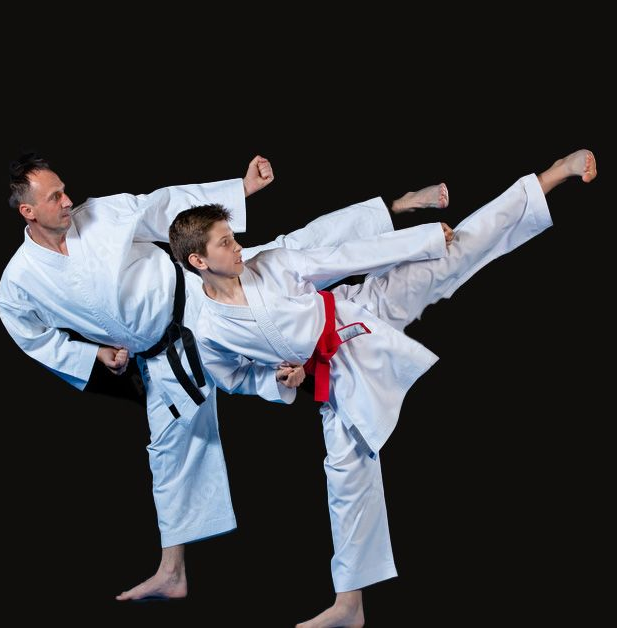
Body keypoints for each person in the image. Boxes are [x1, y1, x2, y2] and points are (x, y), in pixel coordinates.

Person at [168, 149, 597, 627]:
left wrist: (423, 239)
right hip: (334, 376)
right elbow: (233, 377)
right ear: (198, 260)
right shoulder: (210, 331)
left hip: (360, 313)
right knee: (346, 474)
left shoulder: (270, 264)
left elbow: (344, 257)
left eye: (233, 237)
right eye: (226, 243)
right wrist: (277, 378)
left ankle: (550, 176)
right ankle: (349, 605)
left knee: (451, 256)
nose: (238, 248)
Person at [0, 153, 446, 601]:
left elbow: (165, 205)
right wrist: (92, 352)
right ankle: (172, 573)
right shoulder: (19, 281)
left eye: (64, 190)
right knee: (169, 451)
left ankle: (395, 208)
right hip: (162, 355)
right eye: (55, 197)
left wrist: (240, 189)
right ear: (28, 211)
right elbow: (30, 334)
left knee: (296, 249)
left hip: (199, 294)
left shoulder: (100, 215)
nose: (68, 201)